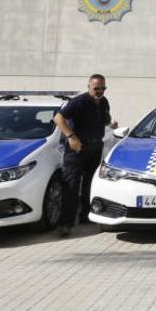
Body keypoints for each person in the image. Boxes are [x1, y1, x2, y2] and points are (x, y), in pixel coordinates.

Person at [53, 74, 117, 236]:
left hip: (95, 147)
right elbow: (58, 118)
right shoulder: (79, 102)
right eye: (96, 88)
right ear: (89, 86)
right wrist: (71, 137)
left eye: (103, 88)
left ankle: (85, 216)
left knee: (90, 184)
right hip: (77, 149)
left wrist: (110, 123)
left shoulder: (103, 102)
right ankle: (65, 224)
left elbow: (105, 117)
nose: (99, 91)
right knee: (72, 186)